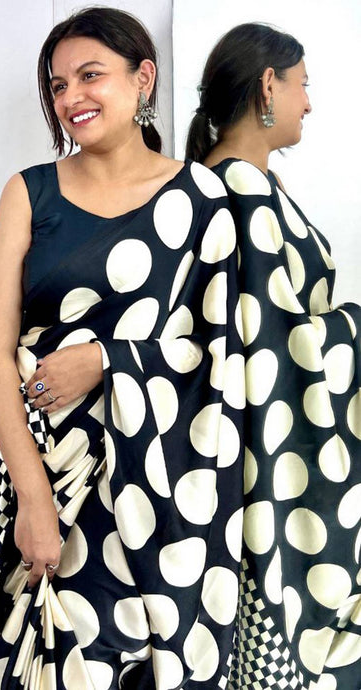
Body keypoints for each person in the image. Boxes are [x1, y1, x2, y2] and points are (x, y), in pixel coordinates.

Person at [0, 8, 247, 690]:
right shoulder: (29, 192)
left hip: (156, 481)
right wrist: (33, 497)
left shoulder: (202, 198)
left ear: (142, 77)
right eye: (58, 85)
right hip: (43, 465)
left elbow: (222, 354)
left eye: (89, 76)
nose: (71, 98)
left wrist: (108, 360)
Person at [186, 22, 361, 690]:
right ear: (268, 85)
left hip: (249, 453)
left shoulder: (235, 183)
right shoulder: (241, 190)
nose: (308, 102)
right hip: (269, 461)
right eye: (302, 85)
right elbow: (273, 345)